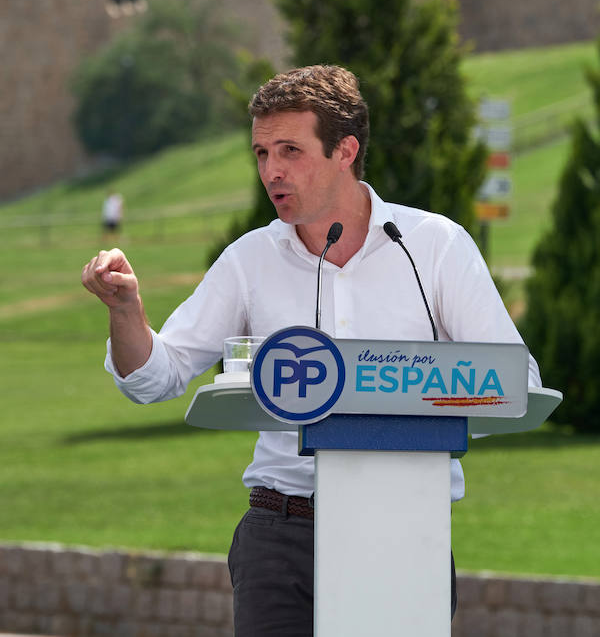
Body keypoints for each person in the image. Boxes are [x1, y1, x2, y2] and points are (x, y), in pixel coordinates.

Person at [82, 64, 541, 635]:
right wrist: (126, 310)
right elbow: (155, 377)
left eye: (290, 150)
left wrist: (417, 382)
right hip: (282, 534)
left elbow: (516, 383)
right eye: (260, 153)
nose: (271, 171)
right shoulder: (250, 260)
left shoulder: (435, 248)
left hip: (406, 529)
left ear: (345, 150)